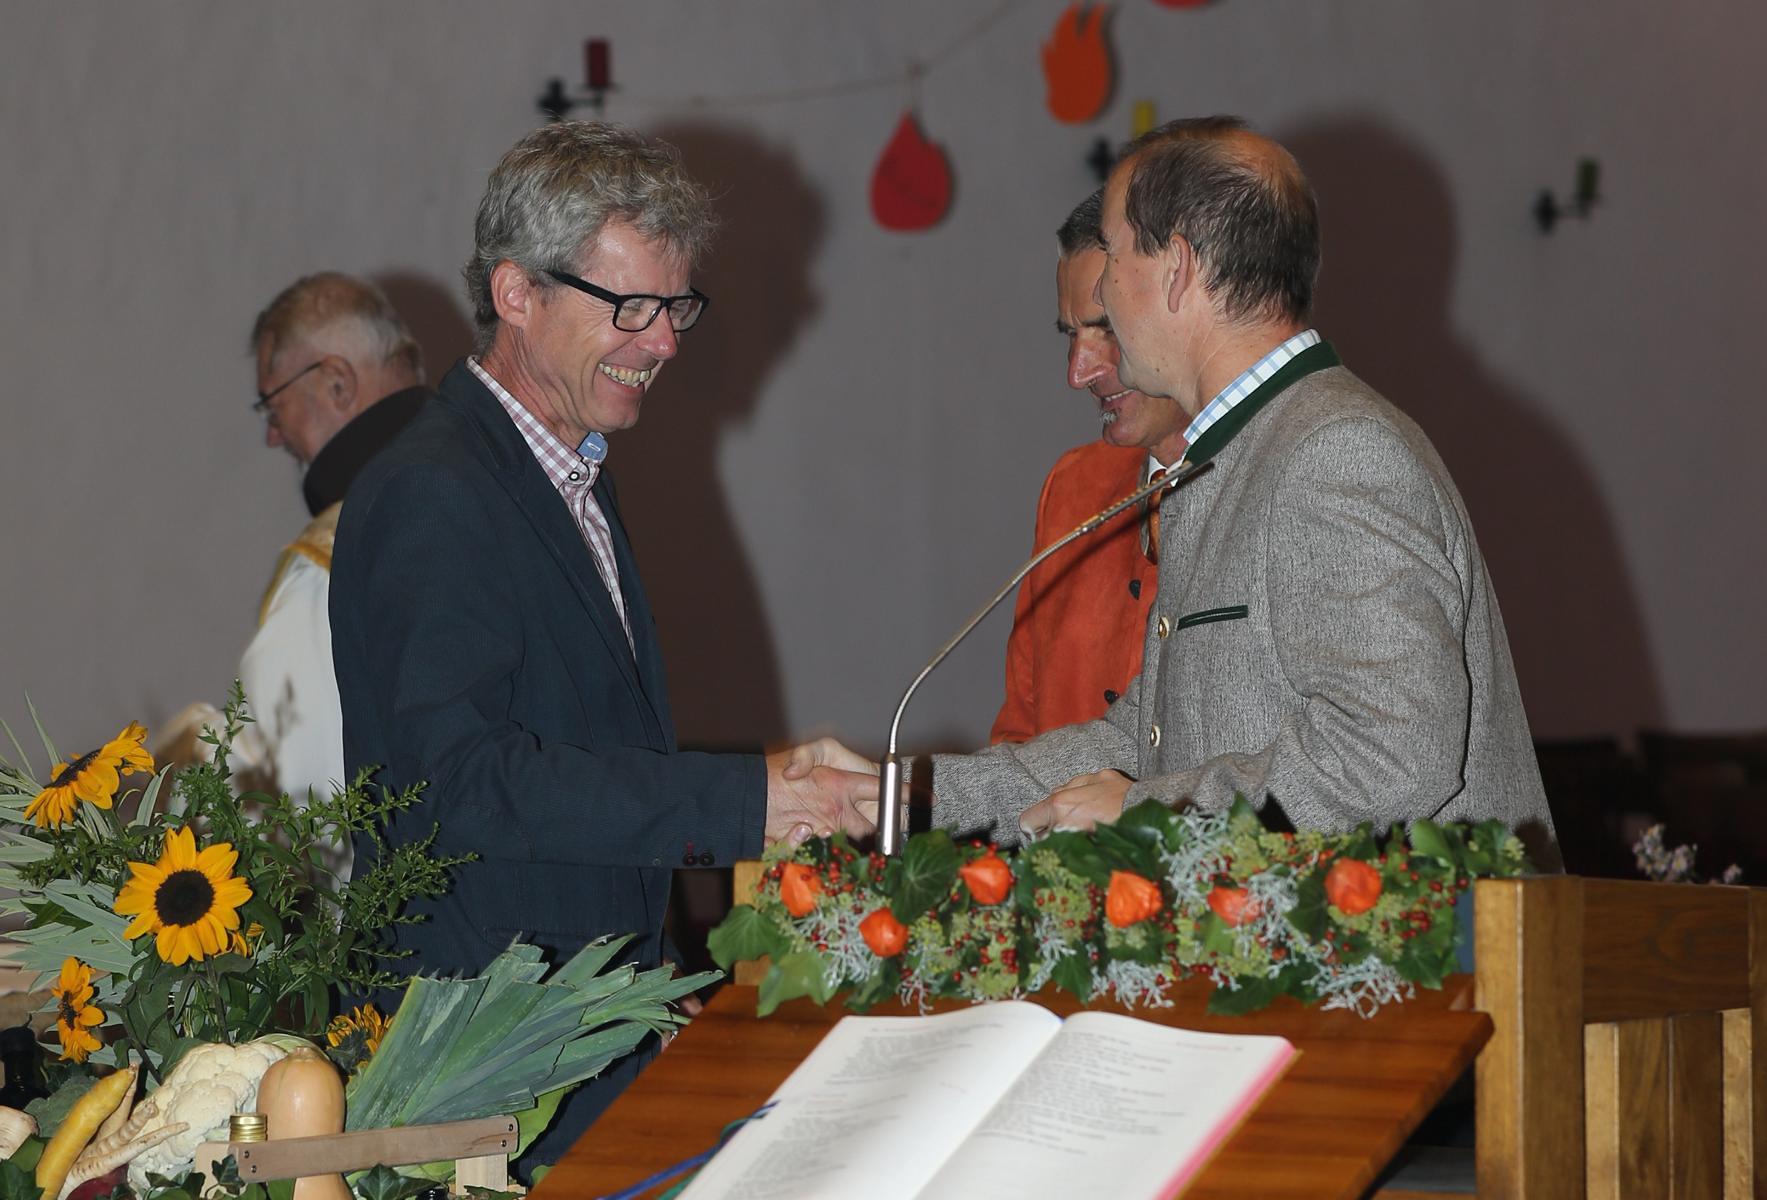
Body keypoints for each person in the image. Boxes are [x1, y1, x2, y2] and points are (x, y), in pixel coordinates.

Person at [328, 121, 875, 1157]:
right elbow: (461, 785)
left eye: (676, 307)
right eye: (629, 307)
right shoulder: (433, 490)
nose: (664, 343)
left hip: (576, 1036)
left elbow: (585, 749)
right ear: (516, 293)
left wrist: (652, 966)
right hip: (484, 1066)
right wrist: (747, 803)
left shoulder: (563, 468)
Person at [934, 117, 1557, 863]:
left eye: (1113, 256)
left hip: (1433, 937)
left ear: (1176, 268)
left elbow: (1393, 754)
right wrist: (904, 800)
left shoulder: (1332, 449)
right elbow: (1144, 740)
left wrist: (1142, 813)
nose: (1102, 291)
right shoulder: (1234, 455)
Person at [234, 275, 431, 836]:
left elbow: (299, 794)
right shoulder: (506, 484)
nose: (274, 437)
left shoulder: (333, 560)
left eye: (274, 407)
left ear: (338, 384)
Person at [991, 189, 1187, 744]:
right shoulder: (1073, 486)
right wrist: (889, 786)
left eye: (1106, 327)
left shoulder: (1282, 485)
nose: (1078, 372)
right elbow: (1019, 735)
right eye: (1072, 335)